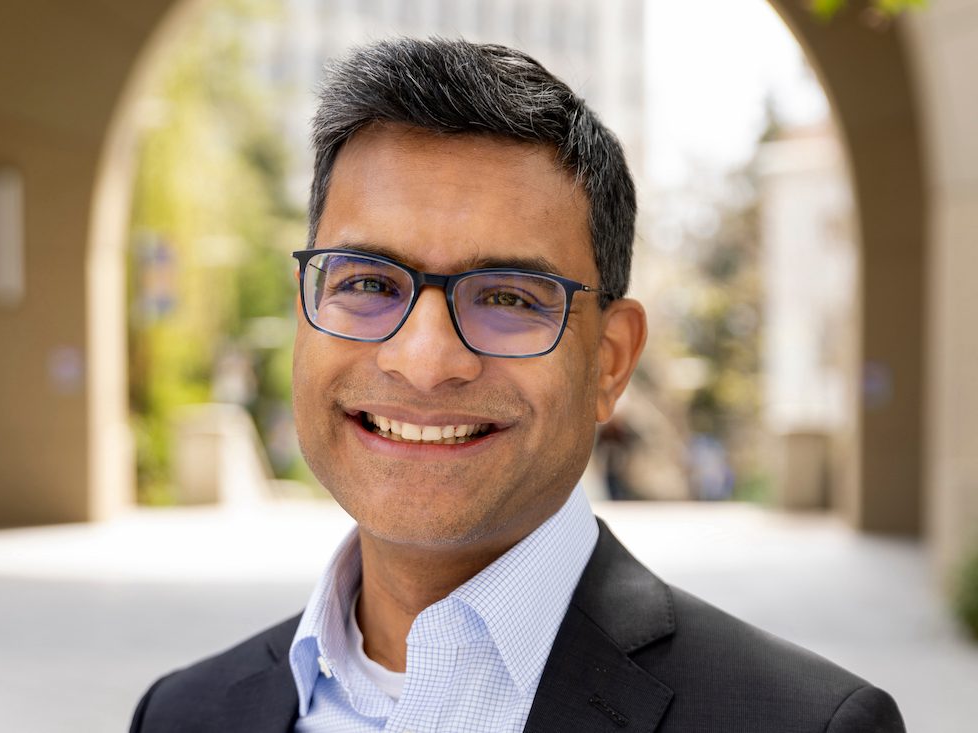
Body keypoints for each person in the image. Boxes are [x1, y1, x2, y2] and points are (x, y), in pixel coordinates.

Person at [130, 37, 905, 732]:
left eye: (506, 297)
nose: (425, 360)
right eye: (368, 283)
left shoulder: (807, 724)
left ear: (609, 360)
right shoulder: (183, 713)